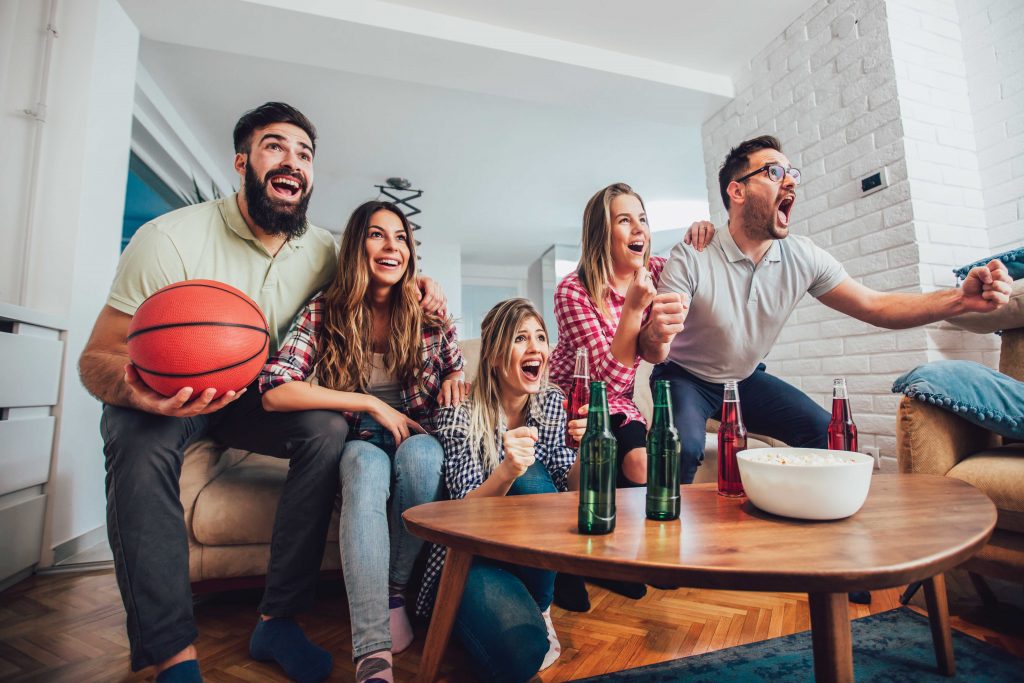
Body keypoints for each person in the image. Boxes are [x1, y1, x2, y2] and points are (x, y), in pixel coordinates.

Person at [78, 103, 445, 683]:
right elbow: (97, 357)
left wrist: (422, 286)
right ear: (242, 161)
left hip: (260, 396)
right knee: (132, 435)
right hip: (175, 395)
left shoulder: (324, 250)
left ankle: (277, 620)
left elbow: (378, 272)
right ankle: (173, 654)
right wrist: (141, 396)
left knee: (327, 431)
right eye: (276, 147)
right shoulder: (169, 239)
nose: (292, 162)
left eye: (305, 154)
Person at [642, 134, 1012, 601]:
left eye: (792, 172)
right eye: (774, 171)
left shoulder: (802, 256)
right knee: (684, 445)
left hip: (747, 377)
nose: (790, 179)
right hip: (685, 377)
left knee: (825, 434)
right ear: (737, 191)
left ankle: (832, 560)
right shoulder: (692, 254)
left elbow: (877, 306)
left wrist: (958, 300)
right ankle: (658, 553)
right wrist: (657, 331)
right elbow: (657, 349)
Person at [259, 200, 466, 683]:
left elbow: (456, 365)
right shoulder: (326, 309)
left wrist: (457, 373)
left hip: (418, 431)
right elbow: (274, 388)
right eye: (377, 235)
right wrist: (369, 402)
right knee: (362, 468)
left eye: (400, 238)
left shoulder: (427, 313)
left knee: (420, 463)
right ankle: (372, 654)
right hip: (359, 436)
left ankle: (396, 590)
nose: (391, 246)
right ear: (357, 246)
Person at [546, 182, 704, 610]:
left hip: (619, 403)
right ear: (602, 232)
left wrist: (701, 235)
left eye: (643, 219)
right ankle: (570, 565)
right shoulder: (572, 291)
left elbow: (695, 261)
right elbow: (603, 379)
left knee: (641, 463)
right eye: (624, 219)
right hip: (574, 403)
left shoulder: (654, 269)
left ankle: (619, 559)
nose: (639, 228)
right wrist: (634, 310)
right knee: (600, 457)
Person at [415, 298, 586, 683]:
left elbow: (571, 494)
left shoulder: (555, 403)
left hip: (534, 561)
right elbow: (460, 514)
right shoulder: (458, 409)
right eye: (520, 338)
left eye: (540, 337)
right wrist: (506, 471)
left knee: (536, 479)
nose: (536, 348)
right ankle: (478, 617)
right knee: (521, 655)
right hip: (471, 556)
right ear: (494, 355)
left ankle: (540, 607)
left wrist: (589, 452)